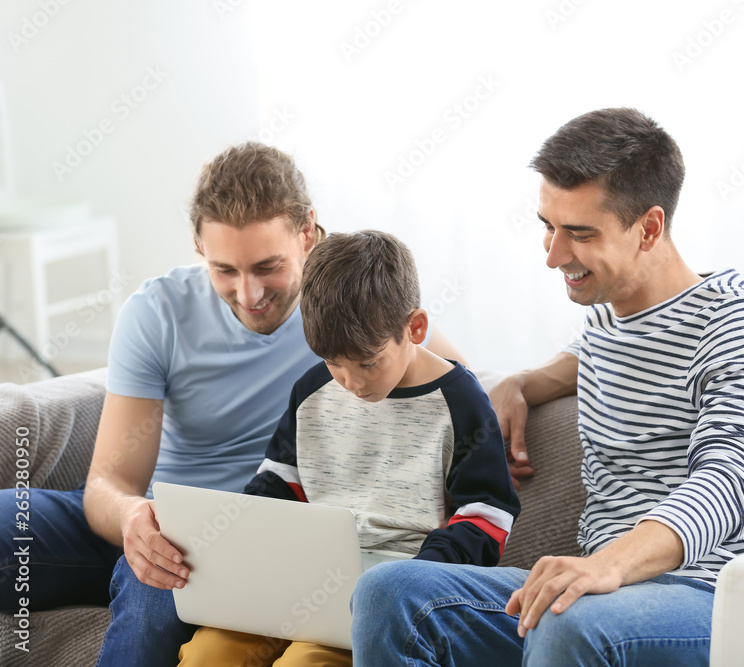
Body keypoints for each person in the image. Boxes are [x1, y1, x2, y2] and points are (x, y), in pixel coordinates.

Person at [350, 108, 744, 666]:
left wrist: (606, 564)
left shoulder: (741, 325)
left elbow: (728, 482)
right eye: (548, 225)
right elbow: (586, 358)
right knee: (390, 593)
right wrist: (521, 382)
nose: (553, 255)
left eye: (580, 233)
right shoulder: (606, 321)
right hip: (601, 600)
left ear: (649, 228)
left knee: (567, 621)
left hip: (717, 596)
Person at [0, 142, 464, 667]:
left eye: (268, 267)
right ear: (198, 245)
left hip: (249, 546)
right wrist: (133, 517)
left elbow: (451, 379)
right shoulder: (157, 312)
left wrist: (519, 389)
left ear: (307, 233)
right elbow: (109, 483)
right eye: (224, 270)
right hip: (158, 520)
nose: (248, 295)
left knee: (157, 582)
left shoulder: (349, 303)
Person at [177, 230, 519, 666]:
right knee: (208, 653)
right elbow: (278, 485)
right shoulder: (310, 390)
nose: (352, 383)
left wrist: (420, 574)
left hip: (395, 593)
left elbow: (486, 515)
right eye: (334, 363)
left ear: (414, 328)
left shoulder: (461, 401)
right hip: (299, 576)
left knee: (305, 662)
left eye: (368, 363)